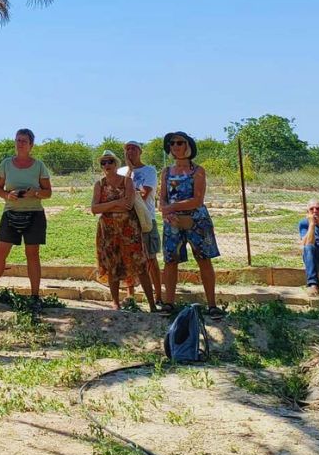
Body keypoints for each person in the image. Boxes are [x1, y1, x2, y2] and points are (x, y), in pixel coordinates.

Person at [0, 128, 52, 314]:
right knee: (0, 253)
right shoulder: (6, 164)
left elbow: (48, 192)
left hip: (34, 214)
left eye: (24, 141)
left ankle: (35, 297)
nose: (20, 144)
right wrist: (7, 195)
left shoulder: (39, 166)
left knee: (32, 255)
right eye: (18, 140)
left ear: (31, 145)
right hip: (11, 213)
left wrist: (34, 193)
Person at [159, 131, 223, 318]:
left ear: (189, 146)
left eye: (180, 142)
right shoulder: (166, 172)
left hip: (197, 221)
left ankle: (211, 305)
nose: (176, 146)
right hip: (173, 222)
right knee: (170, 261)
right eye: (172, 143)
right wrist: (167, 211)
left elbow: (197, 200)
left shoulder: (198, 171)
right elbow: (162, 199)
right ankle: (168, 303)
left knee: (203, 259)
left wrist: (172, 207)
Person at [91, 151, 157, 311]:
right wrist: (117, 202)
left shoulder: (127, 181)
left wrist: (107, 205)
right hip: (108, 230)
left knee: (140, 264)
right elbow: (94, 208)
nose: (107, 165)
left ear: (116, 164)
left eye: (110, 162)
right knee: (112, 264)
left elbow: (128, 204)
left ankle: (152, 304)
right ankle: (116, 302)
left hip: (129, 229)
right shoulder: (99, 184)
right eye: (103, 163)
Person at [119, 141, 162, 305]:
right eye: (127, 149)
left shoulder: (149, 171)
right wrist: (129, 171)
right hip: (126, 220)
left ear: (140, 152)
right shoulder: (121, 171)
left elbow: (144, 194)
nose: (130, 151)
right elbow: (119, 193)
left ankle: (158, 295)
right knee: (128, 258)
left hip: (145, 218)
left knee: (150, 258)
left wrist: (128, 196)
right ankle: (130, 295)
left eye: (133, 148)